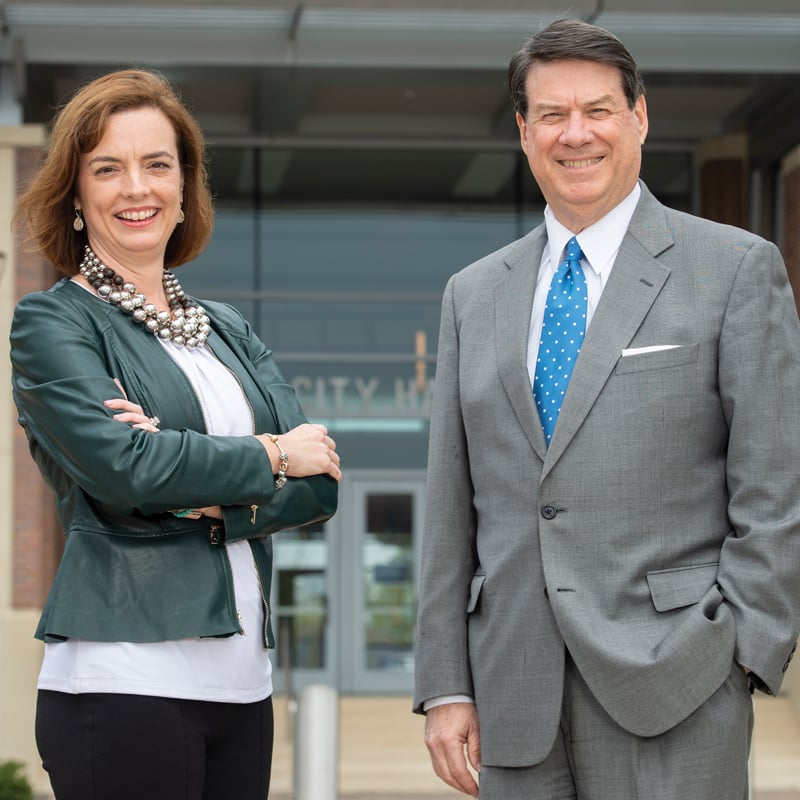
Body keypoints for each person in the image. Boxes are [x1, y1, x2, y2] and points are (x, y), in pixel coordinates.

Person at [413, 17, 800, 800]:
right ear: (524, 132)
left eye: (597, 110)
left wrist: (744, 648)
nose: (574, 134)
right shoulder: (472, 294)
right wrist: (445, 682)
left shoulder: (733, 270)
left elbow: (776, 482)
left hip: (679, 681)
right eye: (551, 115)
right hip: (512, 690)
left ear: (640, 118)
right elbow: (452, 504)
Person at [10, 68, 341, 800]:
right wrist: (270, 455)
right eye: (108, 168)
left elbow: (319, 488)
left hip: (244, 689)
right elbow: (126, 471)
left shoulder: (227, 329)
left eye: (157, 165)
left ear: (185, 187)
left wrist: (196, 477)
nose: (137, 188)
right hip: (120, 679)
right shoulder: (54, 323)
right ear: (75, 194)